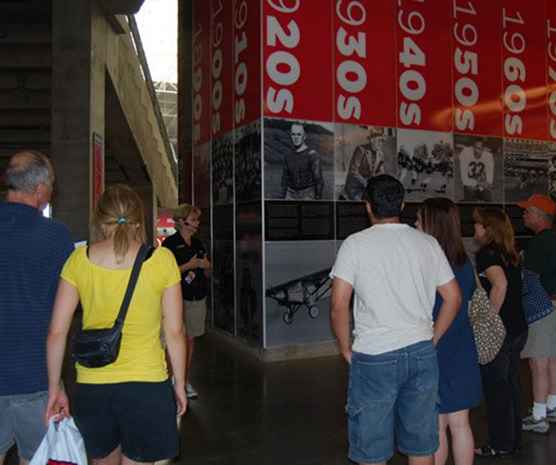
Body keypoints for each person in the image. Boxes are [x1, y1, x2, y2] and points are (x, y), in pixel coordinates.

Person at [46, 184, 186, 465]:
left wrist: (55, 388)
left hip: (92, 387)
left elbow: (57, 332)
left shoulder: (78, 260)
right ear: (139, 219)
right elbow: (174, 331)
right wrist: (180, 384)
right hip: (146, 385)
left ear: (99, 219)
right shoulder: (162, 260)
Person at [330, 174, 461, 465]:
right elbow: (453, 297)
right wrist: (433, 337)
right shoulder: (427, 243)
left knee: (371, 449)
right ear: (402, 204)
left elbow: (339, 304)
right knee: (421, 445)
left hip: (374, 354)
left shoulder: (355, 244)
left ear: (367, 205)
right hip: (421, 352)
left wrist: (344, 348)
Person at [0, 151, 73, 465]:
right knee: (38, 459)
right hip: (36, 377)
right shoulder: (56, 237)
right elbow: (63, 316)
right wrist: (59, 384)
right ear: (40, 189)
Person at [416, 198, 481, 465]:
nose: (415, 224)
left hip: (434, 345)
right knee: (460, 423)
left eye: (419, 219)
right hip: (462, 345)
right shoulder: (464, 261)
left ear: (432, 224)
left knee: (437, 424)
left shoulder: (428, 262)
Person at [472, 207, 528, 456]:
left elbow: (500, 284)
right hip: (517, 327)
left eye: (477, 224)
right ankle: (513, 440)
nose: (474, 228)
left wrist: (488, 321)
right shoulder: (510, 253)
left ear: (488, 228)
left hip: (502, 330)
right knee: (511, 386)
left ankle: (500, 443)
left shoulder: (488, 254)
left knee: (497, 390)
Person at [163, 204, 210, 399]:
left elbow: (207, 268)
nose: (197, 223)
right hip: (176, 298)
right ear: (182, 221)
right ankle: (169, 378)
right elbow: (164, 273)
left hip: (196, 297)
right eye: (194, 219)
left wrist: (206, 266)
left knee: (190, 339)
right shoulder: (169, 245)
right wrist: (187, 266)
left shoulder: (199, 244)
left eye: (198, 219)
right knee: (174, 338)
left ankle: (184, 379)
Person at [518, 194, 556, 433]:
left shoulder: (539, 243)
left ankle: (539, 415)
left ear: (539, 216)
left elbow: (529, 280)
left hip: (544, 308)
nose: (524, 215)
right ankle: (552, 405)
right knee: (553, 358)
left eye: (527, 212)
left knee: (538, 361)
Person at [280, 122, 324, 200]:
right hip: (290, 193)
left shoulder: (312, 155)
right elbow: (284, 179)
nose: (296, 137)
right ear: (290, 135)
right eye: (293, 134)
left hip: (307, 193)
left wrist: (318, 198)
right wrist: (282, 198)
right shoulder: (287, 156)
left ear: (304, 136)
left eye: (299, 134)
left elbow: (319, 180)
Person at [341, 130, 385, 200]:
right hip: (355, 187)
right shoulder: (361, 149)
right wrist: (366, 183)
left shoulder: (380, 154)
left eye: (382, 141)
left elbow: (381, 172)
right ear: (372, 140)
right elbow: (353, 171)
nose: (381, 143)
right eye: (379, 140)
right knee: (361, 204)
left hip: (368, 187)